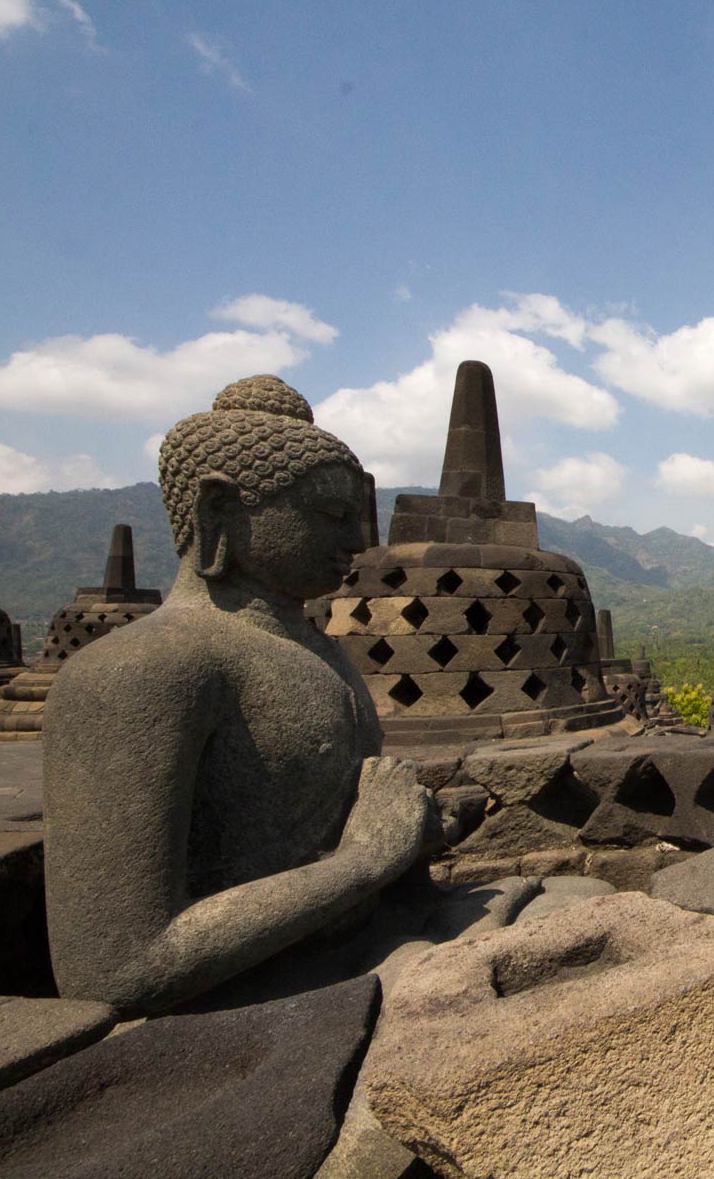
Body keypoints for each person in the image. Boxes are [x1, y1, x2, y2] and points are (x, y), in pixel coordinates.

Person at [44, 376, 439, 1015]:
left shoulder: (321, 650)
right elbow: (114, 970)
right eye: (333, 516)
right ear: (219, 509)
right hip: (253, 1011)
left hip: (367, 946)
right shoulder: (139, 672)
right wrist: (364, 862)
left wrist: (410, 839)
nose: (356, 543)